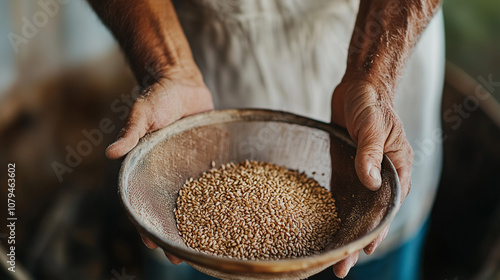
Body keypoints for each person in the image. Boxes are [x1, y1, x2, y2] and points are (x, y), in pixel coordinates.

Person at [87, 0, 444, 278]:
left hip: (376, 55)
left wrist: (375, 79)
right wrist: (168, 67)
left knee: (369, 251)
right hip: (200, 72)